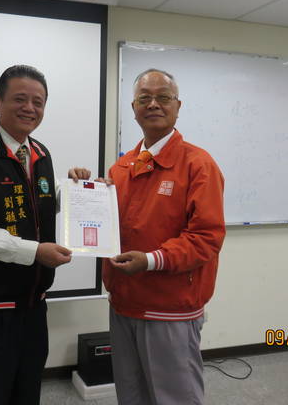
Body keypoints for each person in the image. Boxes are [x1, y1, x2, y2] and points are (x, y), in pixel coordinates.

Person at [75, 68, 226, 405]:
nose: (153, 104)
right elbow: (109, 226)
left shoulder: (198, 165)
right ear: (134, 108)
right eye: (144, 98)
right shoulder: (122, 168)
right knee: (130, 394)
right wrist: (83, 191)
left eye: (163, 97)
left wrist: (151, 260)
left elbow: (207, 238)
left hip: (169, 308)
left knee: (174, 397)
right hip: (124, 303)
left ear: (177, 106)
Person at [0, 65, 80, 405]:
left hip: (34, 308)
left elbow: (43, 204)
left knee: (26, 393)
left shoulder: (40, 153)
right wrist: (33, 252)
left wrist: (81, 192)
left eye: (38, 102)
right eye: (20, 99)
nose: (30, 108)